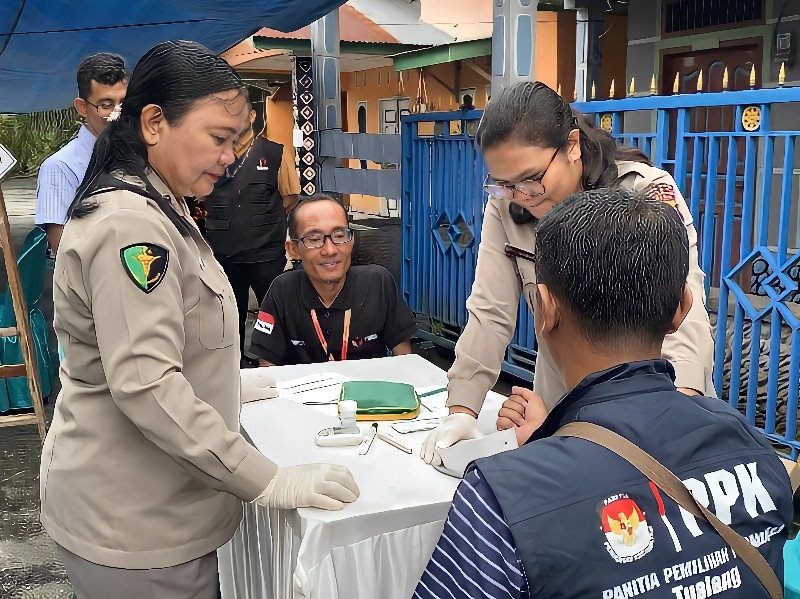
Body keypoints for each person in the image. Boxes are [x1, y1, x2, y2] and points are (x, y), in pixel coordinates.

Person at [39, 41, 358, 599]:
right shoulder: (130, 227)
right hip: (137, 527)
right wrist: (269, 479)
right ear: (155, 123)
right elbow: (147, 383)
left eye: (237, 140)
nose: (231, 156)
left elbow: (162, 343)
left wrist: (226, 382)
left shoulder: (163, 201)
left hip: (158, 508)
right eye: (218, 138)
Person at [413, 189, 792, 599]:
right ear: (683, 307)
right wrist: (555, 438)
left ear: (545, 309)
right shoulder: (754, 448)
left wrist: (546, 454)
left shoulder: (502, 496)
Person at [422, 81, 715, 466]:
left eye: (531, 178)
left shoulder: (645, 192)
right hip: (564, 407)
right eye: (504, 184)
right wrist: (462, 409)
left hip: (661, 402)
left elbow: (684, 310)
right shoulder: (506, 209)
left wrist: (676, 410)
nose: (521, 195)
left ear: (572, 145)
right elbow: (490, 313)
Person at [249, 194, 416, 366]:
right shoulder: (283, 291)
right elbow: (267, 371)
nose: (329, 250)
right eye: (314, 239)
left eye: (339, 235)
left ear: (352, 240)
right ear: (293, 249)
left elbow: (405, 363)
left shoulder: (378, 284)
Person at [203, 104, 300, 367]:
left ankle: (279, 365)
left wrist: (260, 223)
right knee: (227, 316)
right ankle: (232, 369)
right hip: (222, 253)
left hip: (266, 253)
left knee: (276, 312)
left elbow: (289, 196)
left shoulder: (275, 152)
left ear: (253, 115)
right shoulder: (210, 153)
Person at [35, 52, 128, 254]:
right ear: (82, 107)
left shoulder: (139, 156)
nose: (117, 113)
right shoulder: (60, 168)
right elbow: (63, 250)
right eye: (106, 105)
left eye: (124, 103)